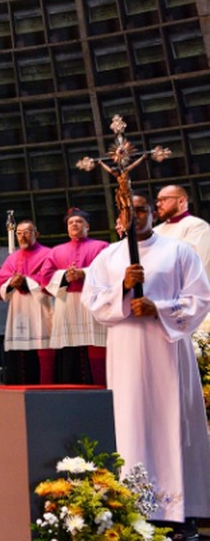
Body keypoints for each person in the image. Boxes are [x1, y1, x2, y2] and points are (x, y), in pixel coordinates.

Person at [83, 195, 210, 537]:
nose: (134, 215)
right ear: (119, 217)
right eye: (128, 210)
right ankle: (137, 510)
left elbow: (201, 297)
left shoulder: (179, 252)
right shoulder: (108, 256)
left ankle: (183, 512)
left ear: (152, 214)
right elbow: (92, 301)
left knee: (173, 423)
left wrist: (161, 308)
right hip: (126, 351)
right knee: (130, 422)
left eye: (141, 209)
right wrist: (122, 288)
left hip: (167, 350)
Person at [42, 208, 108, 385]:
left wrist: (84, 273)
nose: (74, 225)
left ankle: (101, 387)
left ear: (87, 226)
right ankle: (70, 388)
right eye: (71, 223)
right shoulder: (56, 251)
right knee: (68, 349)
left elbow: (110, 271)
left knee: (96, 346)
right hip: (67, 303)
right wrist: (65, 276)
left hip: (92, 302)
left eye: (78, 222)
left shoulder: (102, 247)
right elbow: (45, 276)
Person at [0, 220, 54, 385]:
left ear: (36, 234)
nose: (22, 236)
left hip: (41, 307)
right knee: (20, 358)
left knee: (42, 353)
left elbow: (52, 279)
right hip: (18, 308)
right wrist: (11, 283)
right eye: (19, 233)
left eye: (27, 232)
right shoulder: (12, 258)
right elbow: (0, 284)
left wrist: (26, 281)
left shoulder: (48, 254)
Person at [154, 185, 210, 276]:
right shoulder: (155, 231)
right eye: (157, 200)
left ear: (181, 201)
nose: (158, 204)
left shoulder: (197, 226)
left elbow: (195, 263)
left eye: (163, 199)